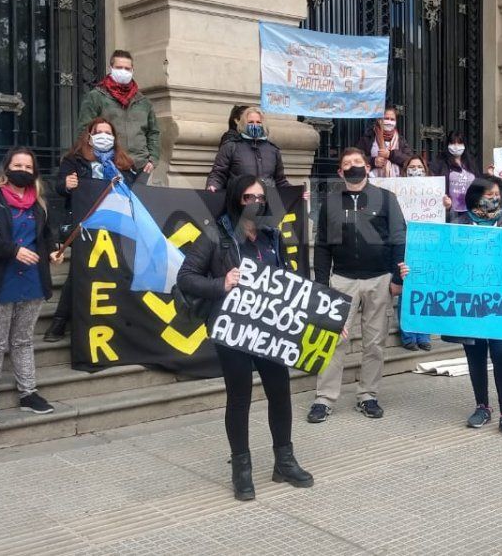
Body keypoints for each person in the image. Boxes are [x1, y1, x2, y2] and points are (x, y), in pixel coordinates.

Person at [177, 175, 314, 501]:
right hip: (233, 331)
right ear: (236, 200)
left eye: (260, 197)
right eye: (248, 197)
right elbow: (186, 277)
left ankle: (284, 460)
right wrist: (220, 284)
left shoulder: (273, 236)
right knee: (239, 399)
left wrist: (321, 321)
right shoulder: (215, 235)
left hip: (270, 330)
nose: (256, 203)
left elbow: (288, 285)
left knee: (280, 394)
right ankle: (242, 469)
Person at [308, 148, 407, 423]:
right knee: (332, 340)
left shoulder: (387, 199)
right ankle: (324, 398)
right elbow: (323, 245)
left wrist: (397, 279)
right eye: (347, 163)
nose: (353, 166)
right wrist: (321, 284)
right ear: (340, 172)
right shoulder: (330, 203)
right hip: (341, 280)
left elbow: (399, 238)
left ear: (367, 166)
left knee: (374, 342)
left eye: (357, 162)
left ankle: (368, 395)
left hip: (378, 279)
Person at [0, 148, 61, 424]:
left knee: (22, 339)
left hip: (32, 279)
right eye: (17, 165)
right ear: (6, 168)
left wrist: (53, 250)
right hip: (0, 276)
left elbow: (46, 233)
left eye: (28, 167)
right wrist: (12, 250)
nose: (23, 170)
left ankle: (28, 393)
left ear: (34, 172)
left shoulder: (39, 199)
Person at [43, 119, 140, 342]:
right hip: (86, 227)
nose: (104, 136)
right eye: (99, 132)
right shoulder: (74, 160)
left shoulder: (125, 163)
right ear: (89, 136)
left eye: (108, 132)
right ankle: (60, 321)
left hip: (116, 227)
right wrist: (66, 184)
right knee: (79, 271)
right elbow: (59, 186)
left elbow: (134, 192)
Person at [448, 176, 502, 439]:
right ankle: (482, 406)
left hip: (501, 305)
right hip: (470, 305)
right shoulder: (457, 226)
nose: (493, 198)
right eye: (487, 193)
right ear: (474, 197)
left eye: (497, 194)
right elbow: (444, 263)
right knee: (475, 356)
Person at [77, 49, 159, 176]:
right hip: (108, 164)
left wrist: (153, 158)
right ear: (111, 68)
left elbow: (153, 132)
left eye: (127, 68)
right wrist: (89, 158)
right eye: (119, 67)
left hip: (140, 165)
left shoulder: (143, 101)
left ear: (132, 70)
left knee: (138, 196)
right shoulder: (96, 96)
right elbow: (84, 129)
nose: (123, 71)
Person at [396, 157, 439, 352]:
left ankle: (424, 335)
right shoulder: (397, 192)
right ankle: (408, 336)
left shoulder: (434, 191)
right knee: (407, 291)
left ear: (425, 169)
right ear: (405, 171)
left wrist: (445, 204)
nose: (416, 170)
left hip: (428, 246)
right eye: (412, 167)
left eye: (419, 167)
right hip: (405, 245)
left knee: (426, 291)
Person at [206, 106, 289, 190]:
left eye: (258, 122)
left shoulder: (273, 150)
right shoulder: (231, 146)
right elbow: (218, 173)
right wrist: (213, 185)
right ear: (243, 124)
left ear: (263, 124)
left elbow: (280, 181)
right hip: (240, 199)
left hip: (267, 200)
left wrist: (297, 192)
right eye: (250, 122)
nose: (255, 125)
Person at [354, 107, 413, 178]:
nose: (389, 121)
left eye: (392, 119)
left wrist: (390, 154)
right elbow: (356, 159)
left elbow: (410, 160)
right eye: (386, 118)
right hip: (372, 180)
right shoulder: (368, 138)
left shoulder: (400, 140)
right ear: (380, 120)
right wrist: (373, 161)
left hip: (396, 181)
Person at [430, 133, 477, 220]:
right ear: (448, 145)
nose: (456, 146)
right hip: (450, 210)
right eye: (453, 143)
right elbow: (434, 182)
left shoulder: (471, 162)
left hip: (470, 210)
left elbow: (478, 182)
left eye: (459, 143)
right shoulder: (440, 163)